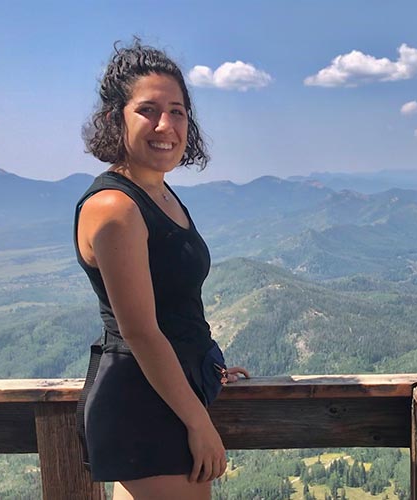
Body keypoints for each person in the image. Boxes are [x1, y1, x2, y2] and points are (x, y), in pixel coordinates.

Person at [75, 39, 249, 499]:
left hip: (168, 390)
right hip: (146, 405)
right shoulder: (116, 207)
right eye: (148, 110)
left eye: (177, 111)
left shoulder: (159, 194)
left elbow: (174, 306)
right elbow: (141, 332)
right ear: (116, 118)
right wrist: (199, 423)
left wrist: (205, 363)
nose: (165, 125)